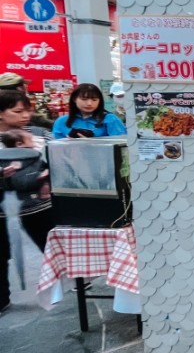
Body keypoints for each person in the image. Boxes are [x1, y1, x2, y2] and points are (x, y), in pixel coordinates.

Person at [0, 90, 55, 312]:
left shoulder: (40, 133)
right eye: (17, 111)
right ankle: (2, 299)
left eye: (27, 110)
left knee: (52, 244)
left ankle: (77, 284)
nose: (25, 115)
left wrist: (49, 173)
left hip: (38, 205)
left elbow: (57, 156)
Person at [52, 83, 127, 139]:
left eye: (94, 100)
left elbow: (121, 145)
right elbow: (55, 148)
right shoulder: (62, 121)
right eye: (84, 99)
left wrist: (91, 144)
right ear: (74, 99)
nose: (89, 103)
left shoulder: (110, 119)